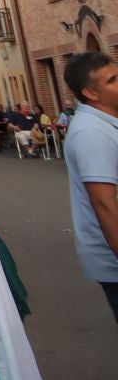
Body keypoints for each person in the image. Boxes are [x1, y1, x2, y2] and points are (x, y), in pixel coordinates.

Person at [62, 51, 118, 323]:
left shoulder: (106, 124)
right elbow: (104, 203)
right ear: (91, 93)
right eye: (113, 80)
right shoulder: (91, 133)